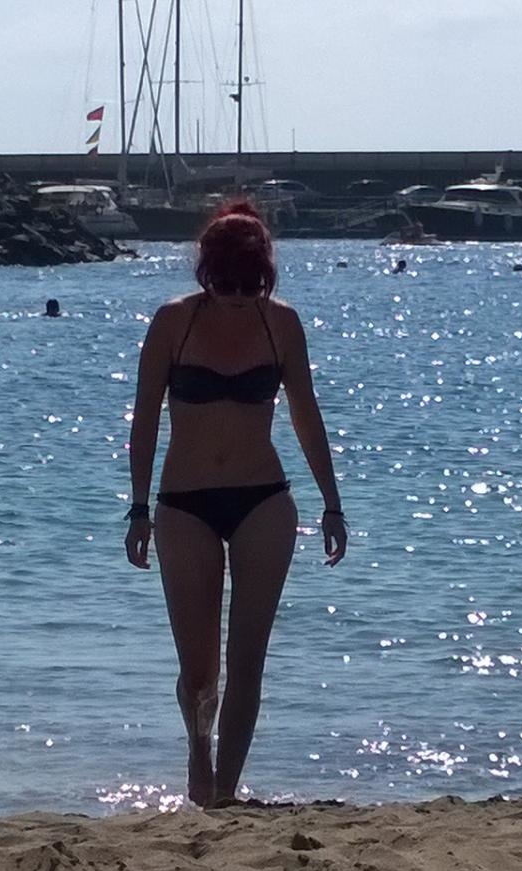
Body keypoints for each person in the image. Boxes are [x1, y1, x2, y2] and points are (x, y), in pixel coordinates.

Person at [124, 200, 347, 808]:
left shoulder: (281, 324)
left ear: (264, 278)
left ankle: (224, 792)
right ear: (207, 274)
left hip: (263, 501)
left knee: (248, 660)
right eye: (228, 285)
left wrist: (332, 503)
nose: (238, 297)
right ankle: (199, 750)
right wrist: (138, 509)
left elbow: (306, 416)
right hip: (184, 504)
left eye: (251, 287)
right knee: (200, 672)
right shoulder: (173, 322)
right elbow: (144, 421)